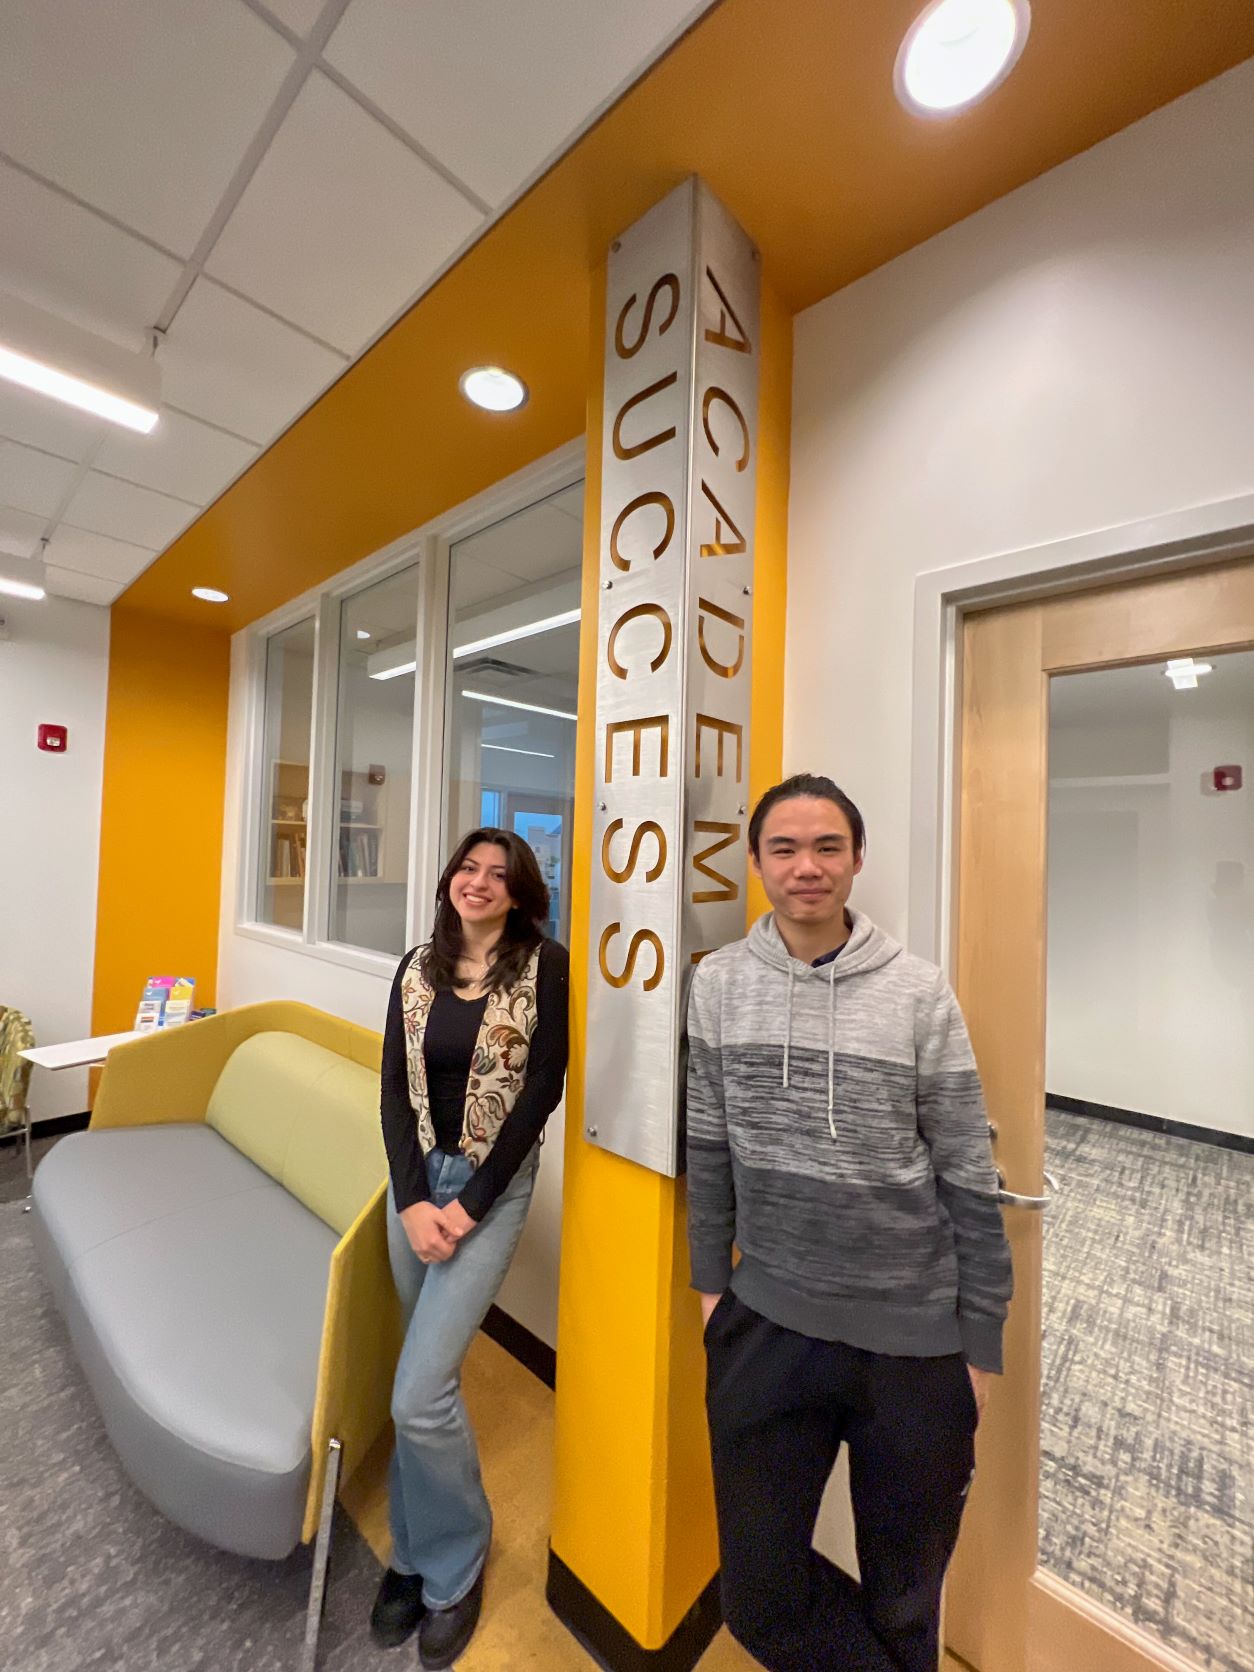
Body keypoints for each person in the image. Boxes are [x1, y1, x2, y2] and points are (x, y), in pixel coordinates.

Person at [686, 774, 1013, 1672]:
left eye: (827, 847)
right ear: (755, 865)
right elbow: (707, 1147)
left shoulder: (916, 993)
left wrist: (979, 1345)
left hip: (913, 1345)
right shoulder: (717, 986)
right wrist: (711, 1289)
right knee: (757, 1598)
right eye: (784, 849)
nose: (807, 867)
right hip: (765, 1328)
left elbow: (967, 1175)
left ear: (857, 860)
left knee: (906, 1601)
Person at [370, 828, 569, 1667]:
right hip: (415, 1190)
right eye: (468, 867)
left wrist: (468, 1207)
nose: (479, 882)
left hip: (490, 1190)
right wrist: (414, 1200)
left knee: (417, 1397)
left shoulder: (543, 967)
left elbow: (542, 1090)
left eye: (499, 874)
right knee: (424, 1381)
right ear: (450, 878)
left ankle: (454, 1565)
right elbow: (391, 1086)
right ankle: (410, 1556)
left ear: (521, 893)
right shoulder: (415, 966)